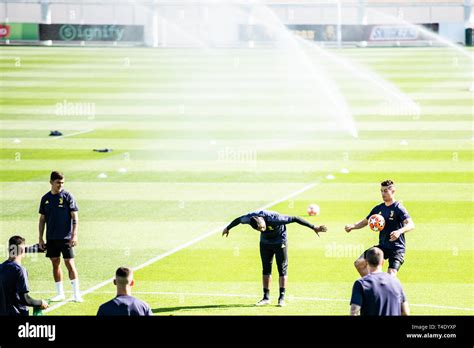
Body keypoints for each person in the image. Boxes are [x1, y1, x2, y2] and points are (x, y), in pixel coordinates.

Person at [222, 209, 327, 307]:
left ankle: (281, 298)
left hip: (280, 242)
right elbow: (238, 220)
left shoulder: (275, 219)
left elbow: (295, 218)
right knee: (266, 269)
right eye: (260, 230)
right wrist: (228, 228)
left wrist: (314, 227)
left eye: (263, 227)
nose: (263, 230)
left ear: (262, 220)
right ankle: (266, 298)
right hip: (265, 243)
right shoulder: (249, 219)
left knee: (282, 269)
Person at [345, 180, 415, 277]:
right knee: (359, 263)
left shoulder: (398, 208)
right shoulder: (379, 209)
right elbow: (365, 221)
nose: (383, 193)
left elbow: (411, 224)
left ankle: (385, 288)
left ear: (393, 191)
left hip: (397, 249)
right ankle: (372, 285)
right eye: (381, 191)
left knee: (391, 275)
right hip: (383, 246)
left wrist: (399, 231)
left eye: (385, 191)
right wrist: (353, 226)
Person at [39, 171, 82, 302]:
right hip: (51, 238)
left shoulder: (68, 196)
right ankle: (60, 293)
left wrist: (74, 235)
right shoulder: (45, 199)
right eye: (58, 182)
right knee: (55, 263)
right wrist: (40, 238)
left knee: (69, 263)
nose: (60, 185)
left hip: (66, 237)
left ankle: (76, 294)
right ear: (51, 182)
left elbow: (75, 216)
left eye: (62, 183)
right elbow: (42, 219)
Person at [350, 247, 410, 316]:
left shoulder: (361, 284)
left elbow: (354, 312)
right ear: (382, 262)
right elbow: (405, 312)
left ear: (366, 262)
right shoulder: (396, 283)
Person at [0, 236, 49, 316]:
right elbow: (25, 299)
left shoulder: (1, 267)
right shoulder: (19, 270)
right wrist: (40, 302)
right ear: (22, 251)